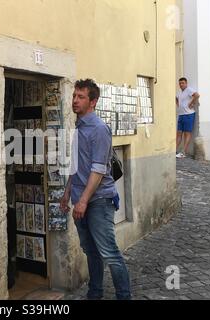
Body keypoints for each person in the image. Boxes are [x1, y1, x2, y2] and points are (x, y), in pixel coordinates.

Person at [60, 79, 131, 300]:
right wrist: (66, 194)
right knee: (91, 251)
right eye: (74, 96)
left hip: (99, 200)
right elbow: (76, 166)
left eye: (81, 97)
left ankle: (124, 296)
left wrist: (82, 201)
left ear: (93, 101)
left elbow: (98, 170)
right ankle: (95, 293)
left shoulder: (99, 128)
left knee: (109, 253)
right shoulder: (79, 128)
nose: (75, 100)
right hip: (81, 198)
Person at [176, 78, 200, 158]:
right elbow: (176, 98)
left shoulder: (189, 90)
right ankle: (174, 150)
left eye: (183, 83)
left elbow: (197, 95)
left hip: (189, 114)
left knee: (187, 133)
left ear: (186, 83)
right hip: (181, 115)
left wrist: (191, 103)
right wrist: (178, 105)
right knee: (179, 133)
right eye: (180, 83)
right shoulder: (180, 92)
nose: (181, 85)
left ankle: (183, 152)